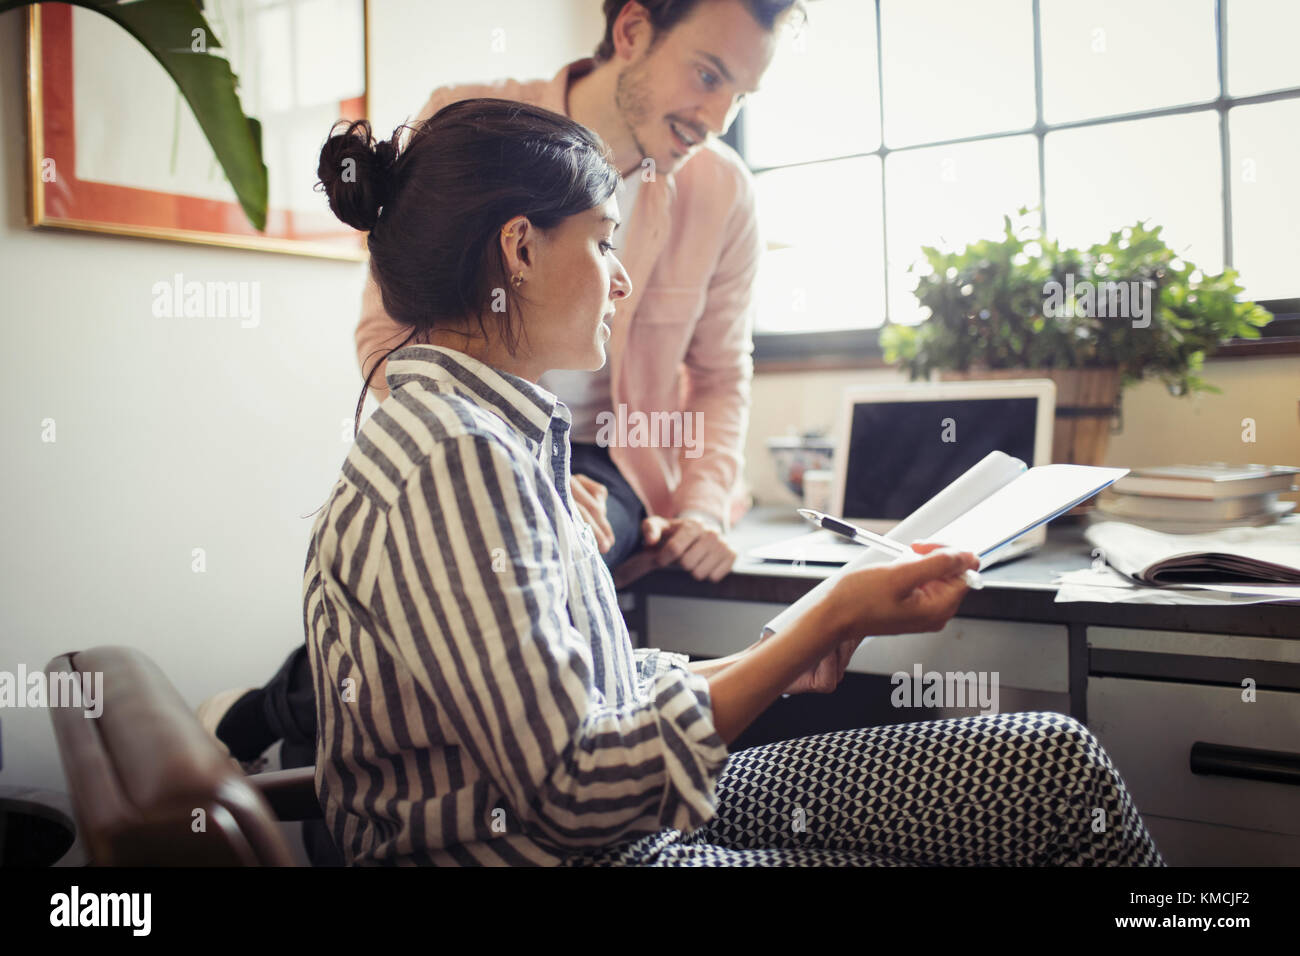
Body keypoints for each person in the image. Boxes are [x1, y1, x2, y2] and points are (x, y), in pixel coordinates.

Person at [302, 98, 1166, 866]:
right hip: (577, 848)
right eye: (604, 241)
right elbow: (575, 786)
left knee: (1049, 763)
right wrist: (827, 615)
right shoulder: (456, 457)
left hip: (620, 825)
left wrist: (773, 656)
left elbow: (584, 692)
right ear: (519, 249)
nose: (623, 278)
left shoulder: (487, 435)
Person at [201, 0, 795, 797]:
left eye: (743, 97)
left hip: (616, 461)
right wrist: (521, 475)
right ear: (631, 33)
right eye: (708, 74)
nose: (718, 116)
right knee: (480, 550)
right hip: (486, 433)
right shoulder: (470, 126)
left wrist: (703, 506)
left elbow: (721, 374)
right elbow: (390, 330)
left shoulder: (723, 192)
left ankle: (259, 717)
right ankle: (272, 717)